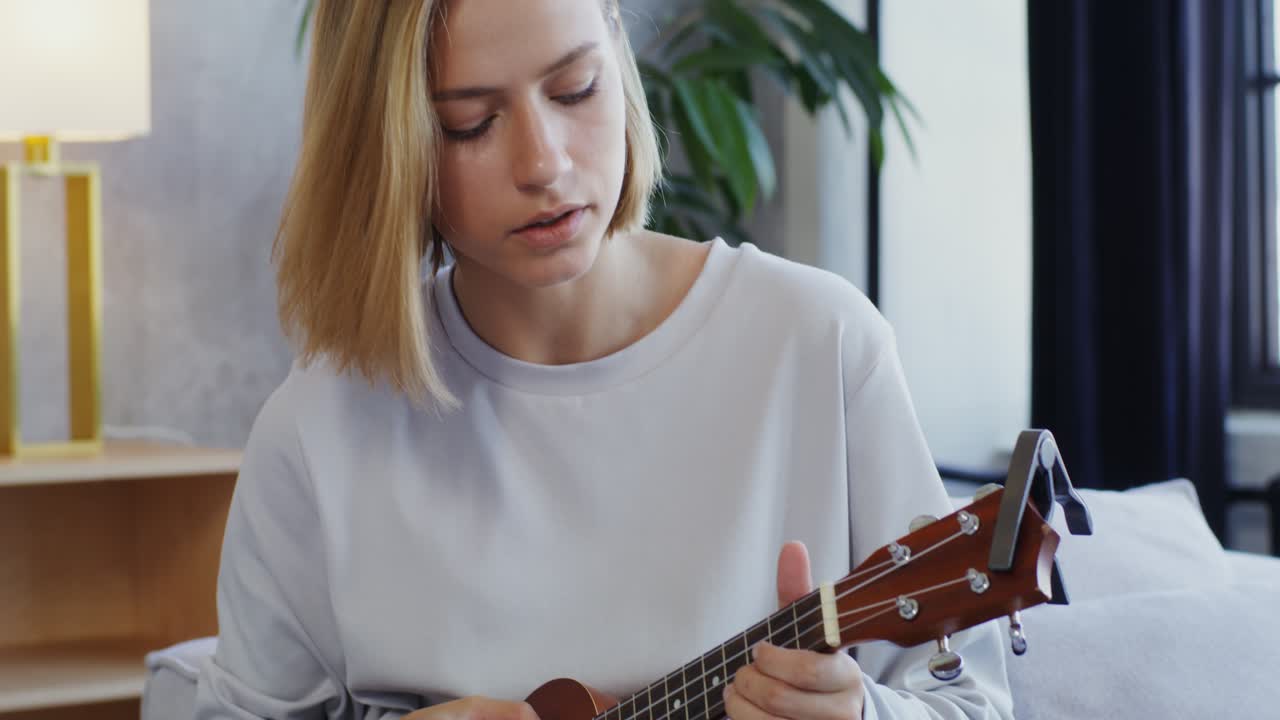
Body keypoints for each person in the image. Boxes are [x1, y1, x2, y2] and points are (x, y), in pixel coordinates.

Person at [194, 1, 1014, 719]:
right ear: (388, 144)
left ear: (616, 54)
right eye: (470, 122)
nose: (544, 164)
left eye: (575, 88)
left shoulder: (821, 344)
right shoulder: (319, 426)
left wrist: (861, 714)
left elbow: (973, 703)